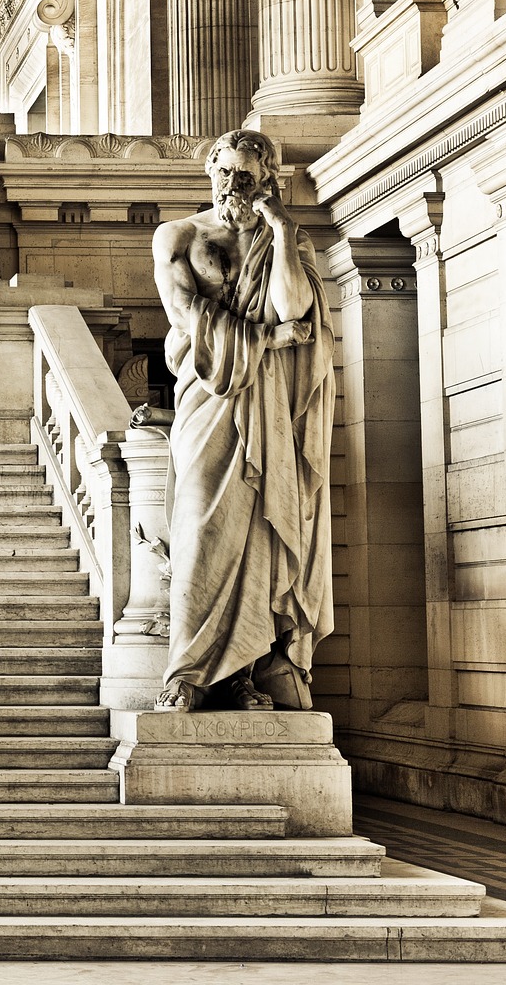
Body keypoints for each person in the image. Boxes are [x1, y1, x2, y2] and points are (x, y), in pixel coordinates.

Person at [149, 129, 334, 712]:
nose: (234, 186)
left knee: (259, 536)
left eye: (247, 176)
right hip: (210, 402)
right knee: (201, 527)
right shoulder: (180, 235)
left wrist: (280, 231)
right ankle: (185, 673)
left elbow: (296, 307)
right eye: (226, 173)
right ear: (210, 173)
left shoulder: (284, 239)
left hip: (268, 407)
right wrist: (268, 338)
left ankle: (240, 674)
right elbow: (185, 316)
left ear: (268, 181)